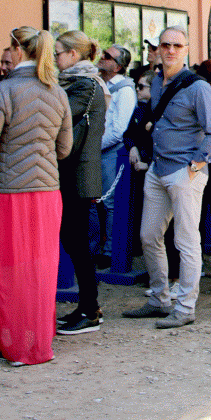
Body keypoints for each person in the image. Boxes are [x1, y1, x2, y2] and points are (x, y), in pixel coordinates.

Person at [0, 26, 71, 366]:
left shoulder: (3, 91)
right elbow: (65, 148)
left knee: (6, 270)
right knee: (41, 271)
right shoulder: (58, 93)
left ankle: (12, 342)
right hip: (46, 193)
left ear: (18, 50)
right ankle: (37, 343)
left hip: (8, 194)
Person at [124, 26, 211, 327]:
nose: (170, 50)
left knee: (186, 240)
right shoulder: (156, 82)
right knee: (149, 236)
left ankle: (186, 307)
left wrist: (195, 166)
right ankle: (158, 299)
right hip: (158, 169)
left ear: (186, 49)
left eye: (177, 45)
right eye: (165, 44)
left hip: (185, 171)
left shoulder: (198, 87)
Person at [53, 30, 108, 336]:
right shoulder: (79, 83)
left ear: (73, 55)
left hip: (78, 176)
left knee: (78, 245)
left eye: (58, 53)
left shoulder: (85, 85)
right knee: (74, 243)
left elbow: (60, 115)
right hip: (72, 174)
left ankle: (90, 309)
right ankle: (88, 306)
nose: (55, 58)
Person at [92, 44, 137, 269]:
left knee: (110, 203)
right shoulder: (103, 83)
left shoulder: (124, 90)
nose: (102, 58)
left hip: (113, 152)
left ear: (118, 66)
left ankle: (110, 251)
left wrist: (94, 145)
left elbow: (120, 129)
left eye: (107, 57)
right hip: (100, 150)